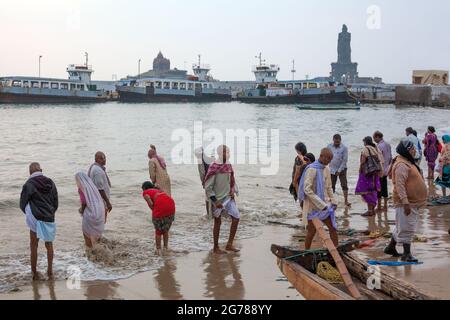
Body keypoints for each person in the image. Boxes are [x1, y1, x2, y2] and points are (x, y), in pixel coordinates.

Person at [384, 139, 427, 262]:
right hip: (406, 202)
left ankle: (390, 248)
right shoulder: (401, 165)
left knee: (401, 226)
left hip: (411, 201)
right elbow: (399, 185)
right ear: (407, 150)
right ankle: (406, 254)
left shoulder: (406, 162)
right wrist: (405, 202)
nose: (414, 151)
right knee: (407, 227)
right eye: (412, 149)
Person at [20, 163, 58, 280]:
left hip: (35, 218)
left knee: (34, 245)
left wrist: (29, 213)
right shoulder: (50, 182)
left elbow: (22, 204)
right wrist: (50, 212)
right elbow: (55, 201)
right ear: (41, 170)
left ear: (30, 172)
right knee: (49, 245)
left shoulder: (28, 184)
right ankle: (50, 271)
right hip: (48, 217)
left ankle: (34, 273)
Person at [298, 148, 339, 250]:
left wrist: (333, 200)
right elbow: (307, 189)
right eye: (327, 159)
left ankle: (337, 250)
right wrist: (321, 204)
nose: (328, 162)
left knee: (333, 228)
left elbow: (329, 187)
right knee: (311, 232)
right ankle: (306, 252)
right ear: (321, 156)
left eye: (330, 160)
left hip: (324, 206)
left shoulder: (326, 169)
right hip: (313, 207)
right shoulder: (312, 169)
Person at [204, 145, 240, 254]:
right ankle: (216, 247)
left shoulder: (228, 165)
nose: (228, 154)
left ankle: (229, 244)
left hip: (228, 197)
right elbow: (208, 186)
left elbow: (232, 180)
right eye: (226, 152)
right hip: (217, 199)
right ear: (220, 154)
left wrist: (232, 191)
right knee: (217, 222)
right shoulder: (214, 167)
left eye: (229, 152)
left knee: (236, 218)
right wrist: (215, 201)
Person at [142, 181, 176, 255]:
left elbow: (150, 203)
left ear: (144, 188)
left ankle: (158, 250)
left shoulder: (145, 192)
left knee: (158, 231)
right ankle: (166, 247)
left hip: (160, 208)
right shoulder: (158, 190)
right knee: (165, 230)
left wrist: (155, 212)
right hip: (171, 207)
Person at [75, 172, 105, 248]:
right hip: (99, 212)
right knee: (96, 233)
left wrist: (81, 210)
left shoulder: (81, 188)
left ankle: (90, 253)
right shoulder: (92, 186)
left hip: (90, 214)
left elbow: (84, 202)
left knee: (86, 233)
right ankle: (99, 249)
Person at [355, 137, 383, 217]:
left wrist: (360, 169)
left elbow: (363, 161)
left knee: (365, 191)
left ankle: (370, 210)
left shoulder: (365, 149)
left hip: (367, 173)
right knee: (373, 190)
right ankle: (372, 210)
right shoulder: (374, 148)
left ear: (365, 142)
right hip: (374, 173)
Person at [88, 152, 112, 223]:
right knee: (100, 223)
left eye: (104, 158)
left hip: (98, 202)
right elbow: (100, 189)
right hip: (100, 203)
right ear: (96, 159)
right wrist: (108, 202)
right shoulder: (97, 170)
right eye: (101, 158)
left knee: (100, 223)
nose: (104, 160)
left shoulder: (97, 168)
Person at [327, 134, 350, 207]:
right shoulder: (329, 146)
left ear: (340, 140)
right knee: (331, 186)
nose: (337, 142)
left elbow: (344, 160)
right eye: (335, 141)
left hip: (342, 169)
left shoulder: (344, 148)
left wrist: (339, 170)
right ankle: (332, 201)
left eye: (338, 141)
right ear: (333, 140)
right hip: (331, 169)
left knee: (344, 185)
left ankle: (346, 201)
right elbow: (327, 156)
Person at [373, 131, 393, 211]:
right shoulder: (388, 144)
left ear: (378, 137)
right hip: (387, 168)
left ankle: (379, 206)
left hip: (380, 169)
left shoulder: (379, 146)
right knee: (385, 187)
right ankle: (385, 205)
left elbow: (379, 159)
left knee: (379, 188)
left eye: (374, 138)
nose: (374, 139)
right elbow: (390, 157)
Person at [195, 147, 215, 217]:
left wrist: (203, 182)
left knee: (208, 198)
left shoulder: (200, 160)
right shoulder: (208, 158)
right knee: (213, 197)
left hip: (208, 180)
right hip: (214, 180)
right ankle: (212, 214)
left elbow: (202, 172)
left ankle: (209, 214)